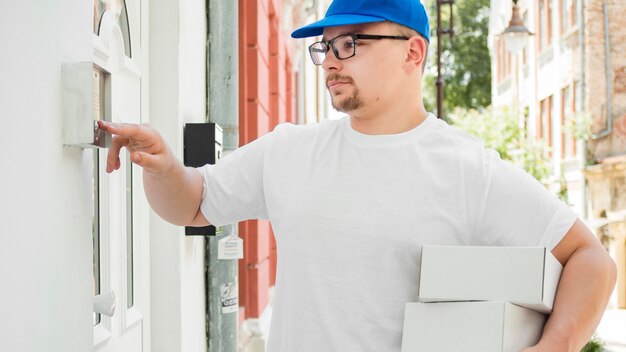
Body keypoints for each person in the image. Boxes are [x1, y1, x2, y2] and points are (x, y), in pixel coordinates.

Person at [99, 0, 617, 351]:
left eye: (351, 44)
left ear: (413, 52)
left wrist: (554, 347)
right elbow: (191, 204)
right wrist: (165, 165)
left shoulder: (467, 170)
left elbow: (592, 260)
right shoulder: (289, 150)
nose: (329, 62)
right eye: (325, 47)